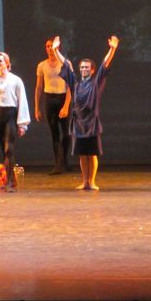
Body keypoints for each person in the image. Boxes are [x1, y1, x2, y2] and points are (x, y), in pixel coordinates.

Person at [53, 34, 119, 190]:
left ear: (92, 70)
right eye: (82, 67)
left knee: (92, 154)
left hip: (91, 124)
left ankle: (92, 181)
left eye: (87, 67)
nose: (84, 69)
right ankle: (84, 181)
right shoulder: (75, 83)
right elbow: (65, 64)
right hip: (78, 124)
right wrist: (55, 50)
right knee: (82, 154)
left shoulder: (95, 83)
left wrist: (112, 49)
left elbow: (105, 64)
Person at [0, 52, 30, 191]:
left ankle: (8, 182)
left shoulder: (16, 80)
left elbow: (22, 101)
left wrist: (22, 124)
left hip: (10, 116)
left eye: (0, 61)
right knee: (5, 151)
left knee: (9, 149)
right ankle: (12, 179)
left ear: (7, 62)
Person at [35, 38, 72, 175]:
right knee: (54, 133)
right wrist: (37, 108)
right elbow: (39, 87)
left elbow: (70, 86)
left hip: (62, 97)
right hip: (49, 99)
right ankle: (58, 164)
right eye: (47, 46)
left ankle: (64, 160)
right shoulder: (41, 65)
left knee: (66, 133)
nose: (50, 48)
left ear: (58, 47)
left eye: (52, 46)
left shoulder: (65, 63)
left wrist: (66, 105)